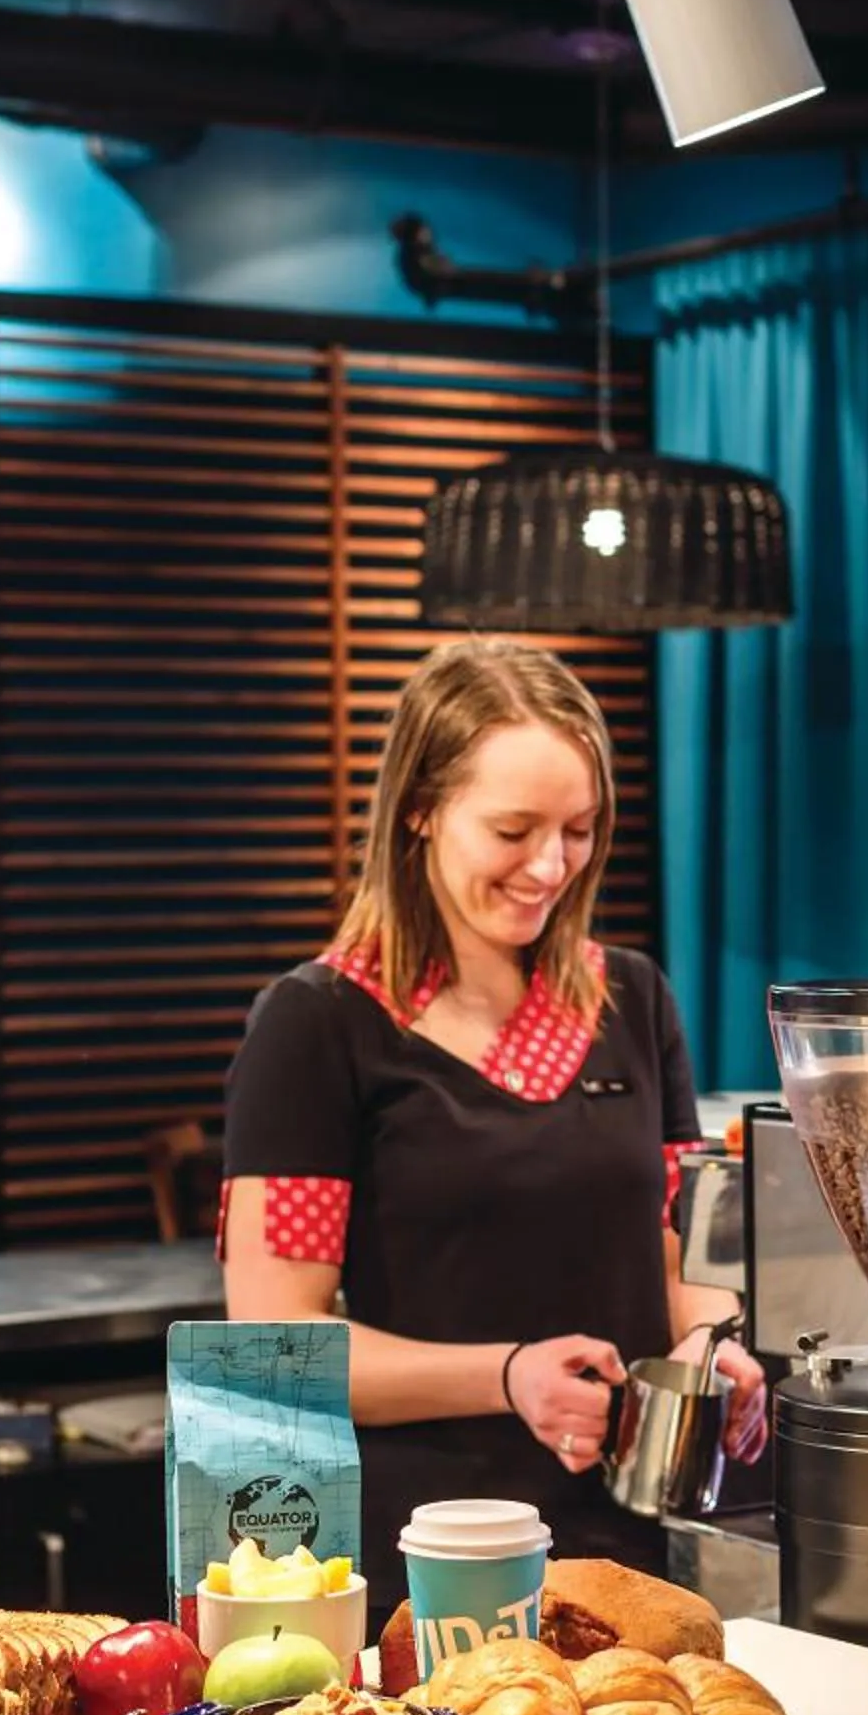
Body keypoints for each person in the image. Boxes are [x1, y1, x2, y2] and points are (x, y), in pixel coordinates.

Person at [221, 636, 767, 1619]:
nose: (549, 865)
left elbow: (676, 1255)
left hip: (621, 1558)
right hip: (429, 1563)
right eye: (512, 830)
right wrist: (507, 1377)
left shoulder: (630, 998)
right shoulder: (318, 1025)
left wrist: (708, 1343)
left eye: (578, 829)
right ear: (421, 810)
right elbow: (272, 1344)